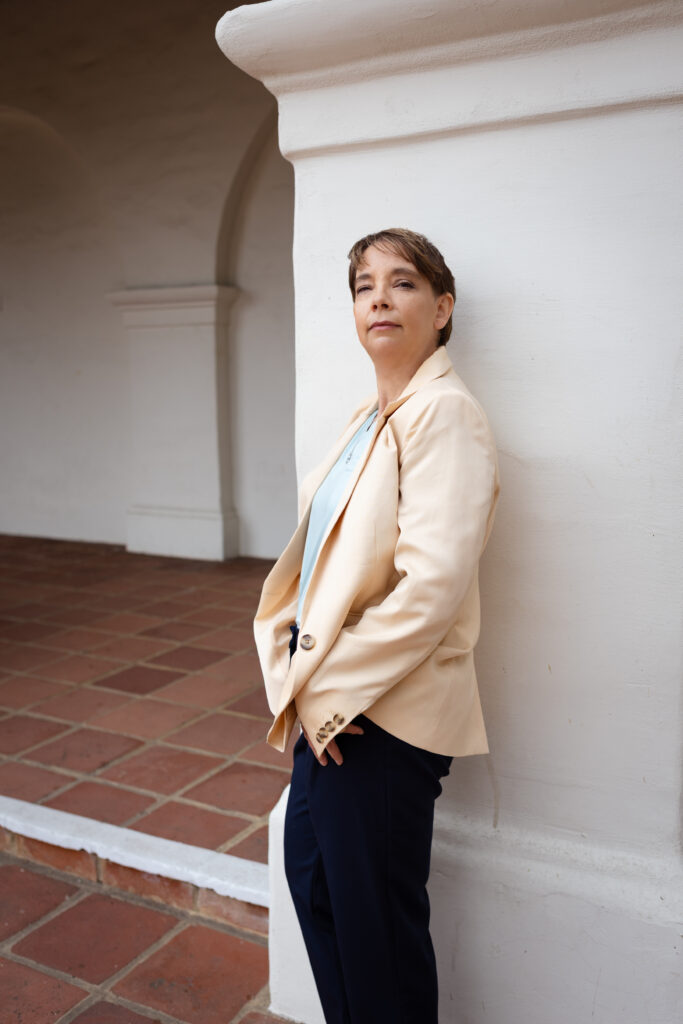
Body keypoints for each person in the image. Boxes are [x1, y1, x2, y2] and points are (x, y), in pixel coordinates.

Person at [253, 228, 499, 1024]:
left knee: (376, 938)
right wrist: (298, 679)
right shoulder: (372, 416)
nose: (380, 299)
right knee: (319, 894)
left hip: (383, 717)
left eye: (402, 283)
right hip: (332, 709)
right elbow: (318, 563)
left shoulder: (446, 415)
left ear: (442, 308)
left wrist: (328, 694)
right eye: (364, 286)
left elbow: (428, 588)